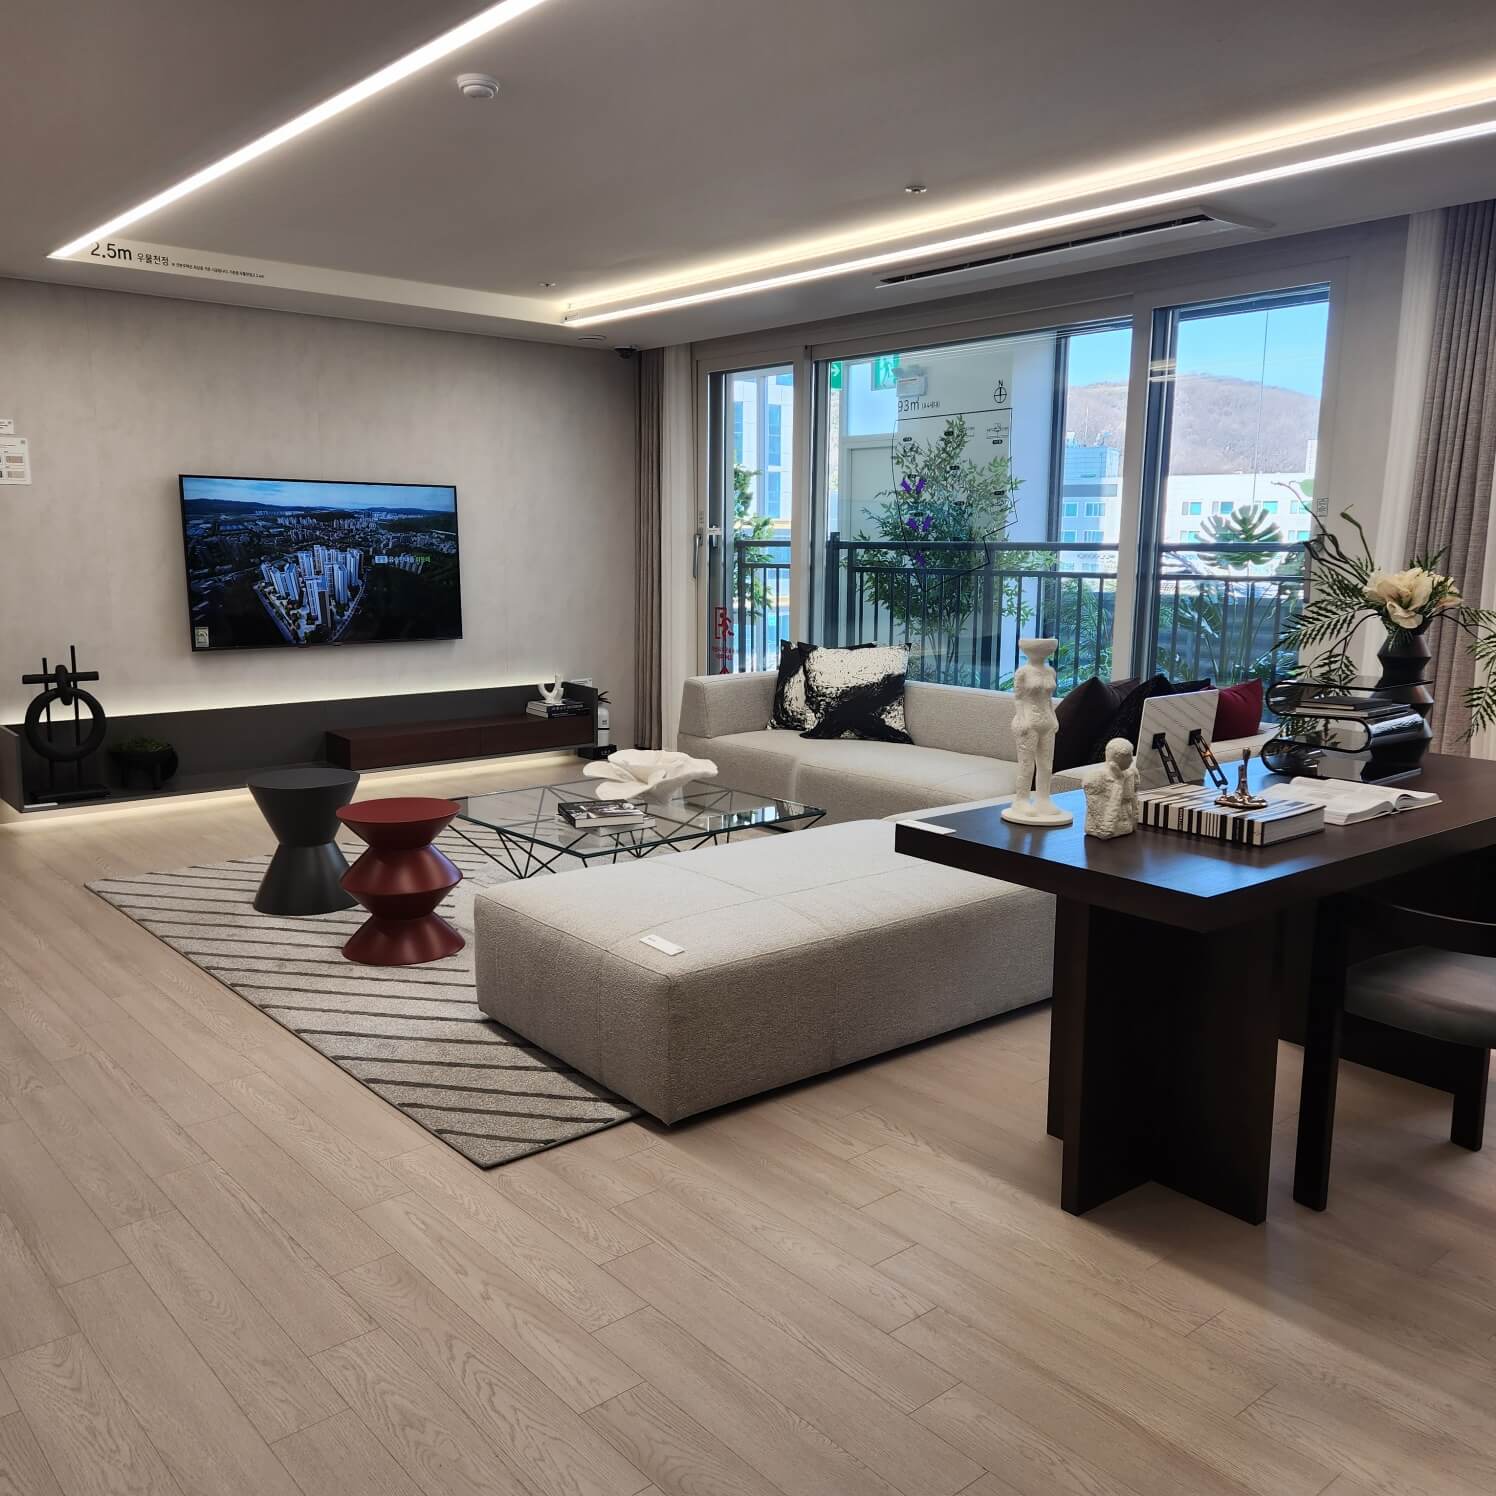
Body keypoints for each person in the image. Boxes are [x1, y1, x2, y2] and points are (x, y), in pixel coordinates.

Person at [1002, 637, 1071, 825]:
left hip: (1047, 721)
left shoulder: (1050, 671)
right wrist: (1022, 718)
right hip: (1028, 722)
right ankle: (1021, 800)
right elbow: (1018, 698)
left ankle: (1043, 799)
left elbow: (1048, 698)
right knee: (1027, 764)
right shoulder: (1023, 672)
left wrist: (1054, 717)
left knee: (1046, 764)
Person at [1083, 737, 1141, 839]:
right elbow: (1097, 810)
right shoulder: (1096, 776)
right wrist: (1118, 783)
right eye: (1128, 757)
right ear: (1117, 758)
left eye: (1131, 755)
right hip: (1108, 827)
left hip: (1127, 825)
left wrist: (1134, 820)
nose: (1132, 760)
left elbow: (1134, 799)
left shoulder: (1132, 772)